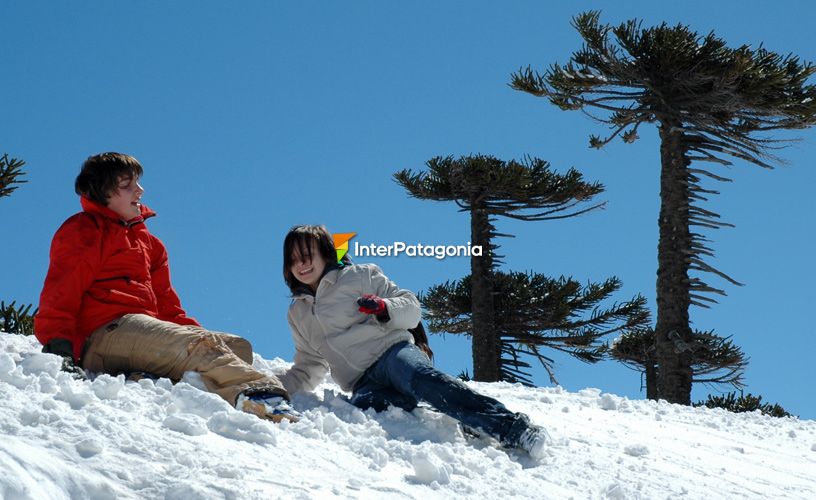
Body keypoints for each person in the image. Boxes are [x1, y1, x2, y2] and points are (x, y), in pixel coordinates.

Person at [34, 152, 297, 422]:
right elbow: (62, 290)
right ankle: (264, 398)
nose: (140, 190)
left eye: (138, 182)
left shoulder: (151, 244)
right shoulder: (84, 230)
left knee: (238, 348)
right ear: (102, 193)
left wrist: (198, 336)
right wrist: (60, 346)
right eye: (127, 185)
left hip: (142, 332)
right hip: (103, 334)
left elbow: (167, 304)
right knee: (201, 347)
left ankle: (144, 376)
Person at [279, 224, 550, 458]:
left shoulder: (359, 276)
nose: (301, 265)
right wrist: (273, 390)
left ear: (325, 254)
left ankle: (513, 428)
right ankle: (465, 418)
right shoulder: (298, 313)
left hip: (392, 354)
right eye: (293, 260)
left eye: (307, 256)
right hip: (362, 382)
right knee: (369, 409)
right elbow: (308, 365)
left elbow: (411, 308)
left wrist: (385, 307)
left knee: (420, 378)